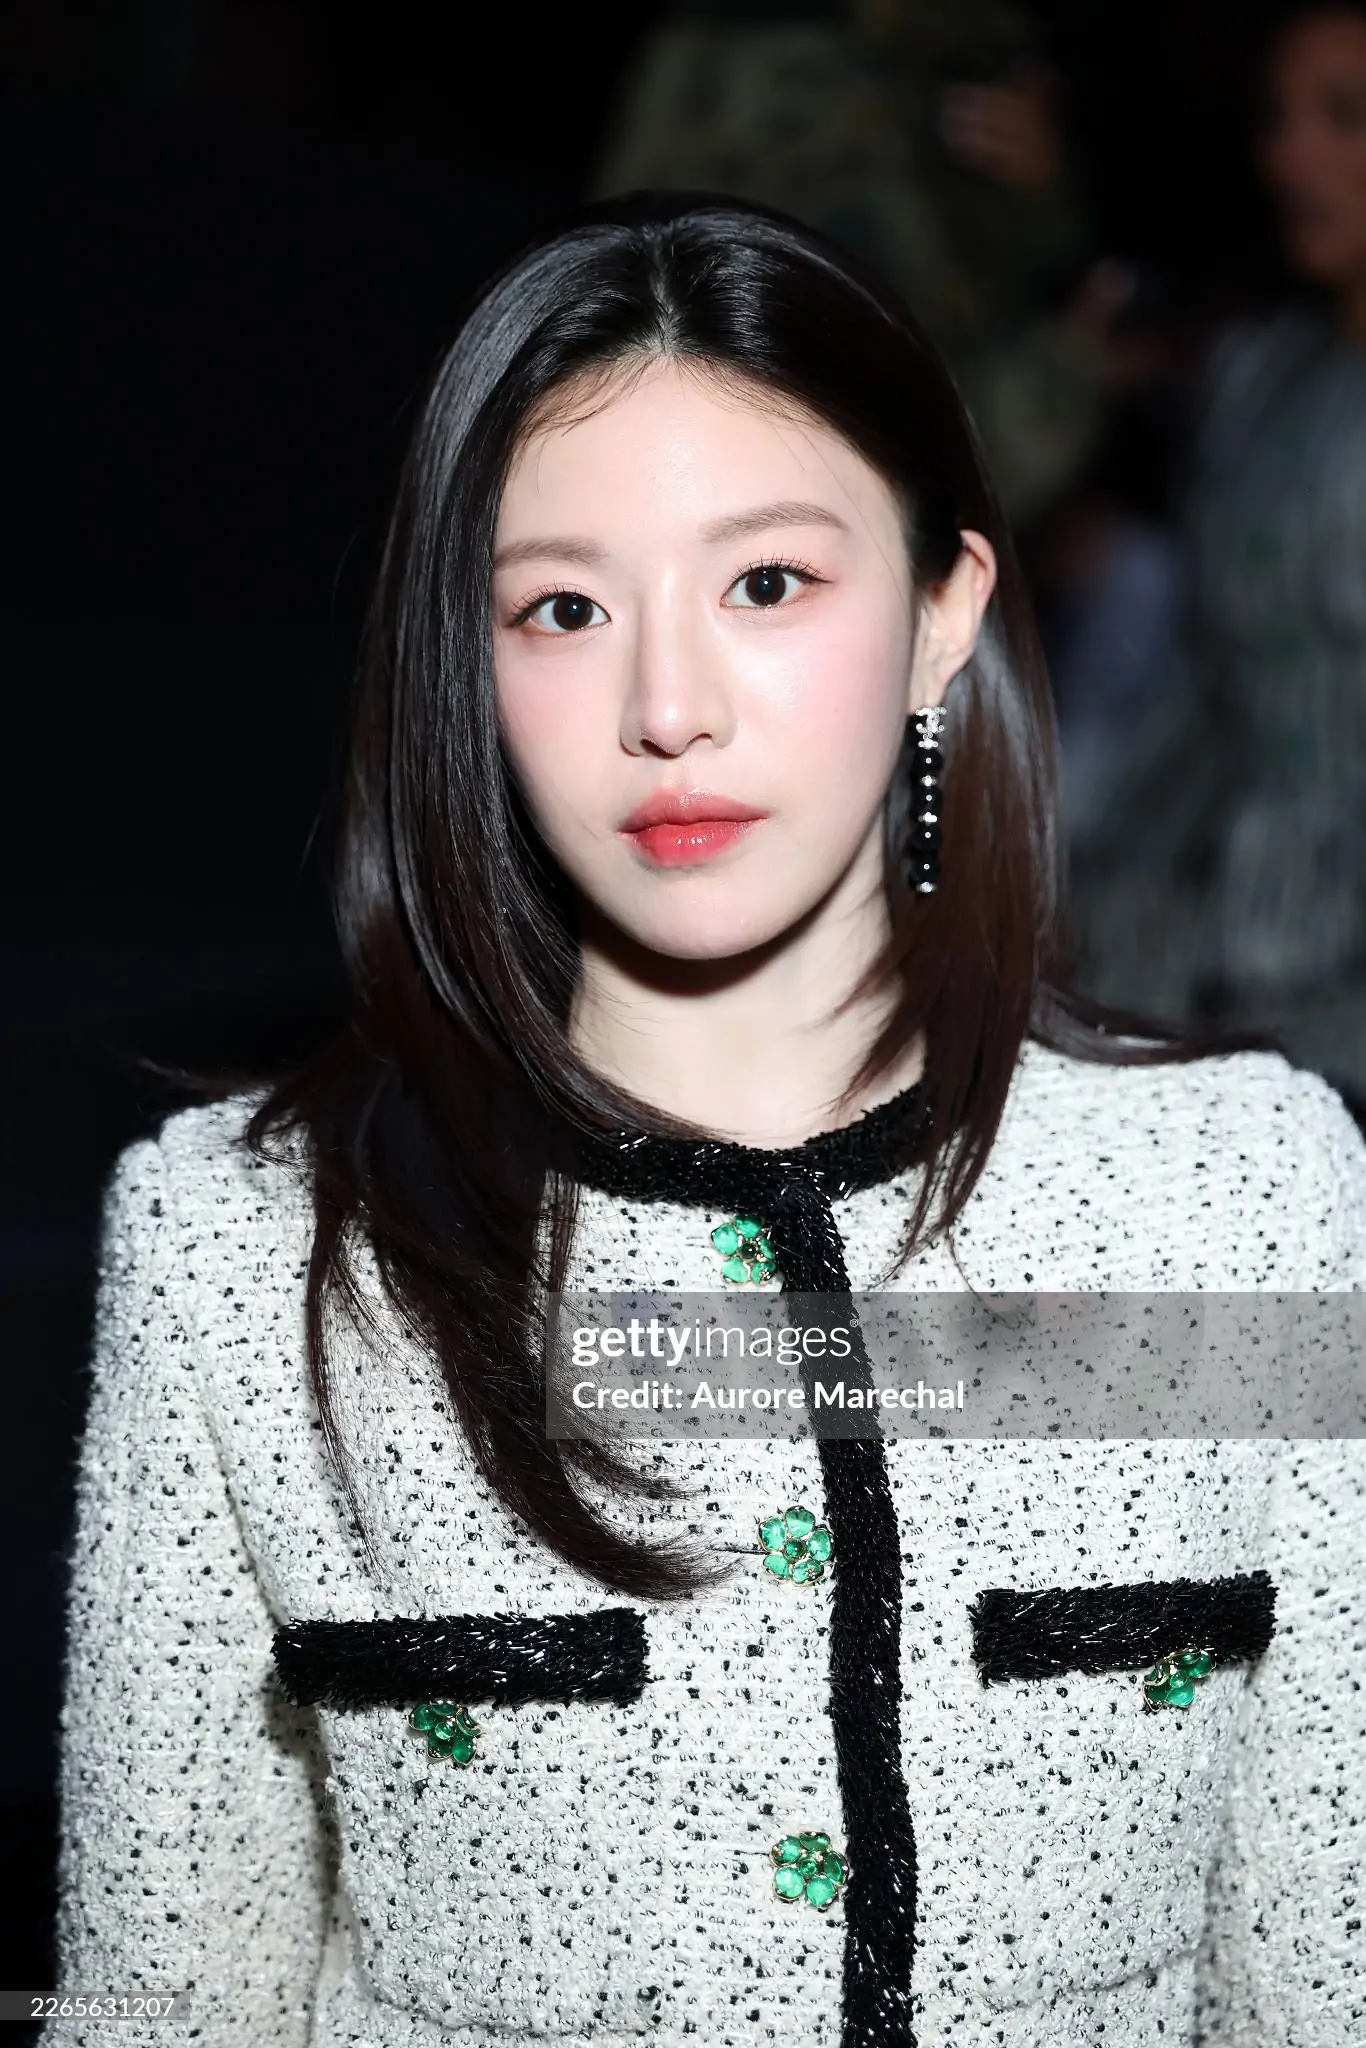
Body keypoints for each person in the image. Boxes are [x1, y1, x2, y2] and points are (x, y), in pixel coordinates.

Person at [45, 198, 1366, 2047]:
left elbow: (1320, 1967)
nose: (665, 708)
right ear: (468, 665)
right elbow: (161, 2002)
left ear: (940, 614)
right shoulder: (248, 1252)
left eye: (765, 585)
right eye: (563, 609)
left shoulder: (1236, 1197)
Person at [1072, 2, 1366, 1111]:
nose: (1291, 156)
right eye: (1277, 119)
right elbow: (1203, 680)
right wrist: (1085, 881)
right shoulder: (1255, 376)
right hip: (1205, 944)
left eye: (1345, 116)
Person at [592, 0, 1114, 525]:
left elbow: (1027, 272)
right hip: (777, 464)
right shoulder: (721, 47)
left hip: (953, 463)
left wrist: (1043, 194)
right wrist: (1060, 380)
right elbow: (628, 282)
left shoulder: (979, 44)